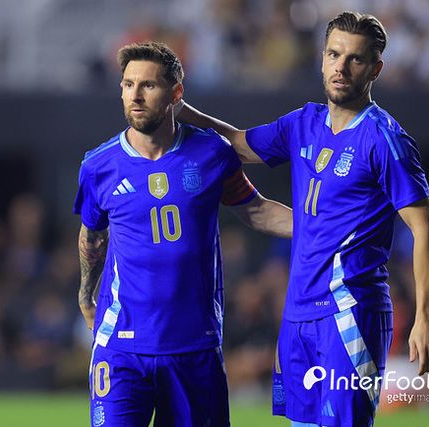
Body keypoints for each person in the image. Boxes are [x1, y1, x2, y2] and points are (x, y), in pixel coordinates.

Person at [177, 11, 429, 427]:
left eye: (355, 59)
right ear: (321, 59)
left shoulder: (384, 138)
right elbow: (239, 145)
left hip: (349, 312)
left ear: (375, 70)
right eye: (334, 54)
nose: (341, 67)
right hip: (297, 314)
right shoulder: (303, 122)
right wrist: (181, 111)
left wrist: (425, 318)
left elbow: (425, 228)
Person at [74, 41, 293, 427]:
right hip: (121, 346)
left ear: (176, 94)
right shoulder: (98, 166)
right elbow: (92, 237)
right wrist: (85, 295)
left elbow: (255, 210)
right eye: (128, 84)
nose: (135, 96)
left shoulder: (211, 153)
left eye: (148, 85)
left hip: (194, 345)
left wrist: (325, 228)